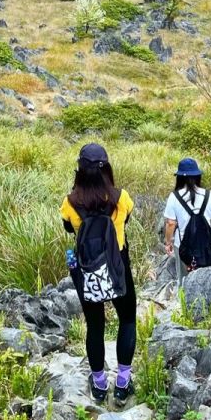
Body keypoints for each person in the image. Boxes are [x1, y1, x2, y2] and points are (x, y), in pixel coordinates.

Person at [61, 142, 137, 405]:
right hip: (118, 267)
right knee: (127, 320)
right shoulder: (121, 198)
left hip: (88, 270)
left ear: (80, 169)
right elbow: (125, 220)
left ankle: (100, 383)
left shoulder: (70, 203)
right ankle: (123, 382)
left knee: (95, 327)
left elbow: (69, 229)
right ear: (107, 168)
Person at [164, 156, 211, 276]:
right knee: (206, 279)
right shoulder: (209, 195)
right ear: (198, 176)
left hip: (182, 246)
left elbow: (171, 223)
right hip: (206, 246)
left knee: (184, 282)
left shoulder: (174, 197)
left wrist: (168, 243)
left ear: (179, 177)